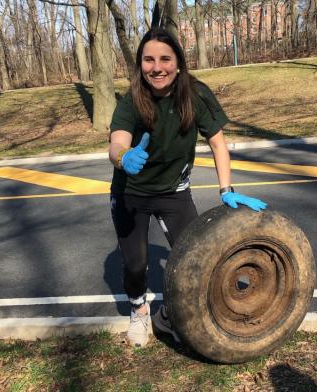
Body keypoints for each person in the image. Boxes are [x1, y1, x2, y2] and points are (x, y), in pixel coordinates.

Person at [108, 27, 267, 348]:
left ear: (178, 63)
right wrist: (124, 157)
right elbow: (116, 143)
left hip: (173, 194)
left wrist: (226, 189)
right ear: (140, 65)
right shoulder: (132, 100)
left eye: (165, 59)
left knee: (194, 260)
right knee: (136, 264)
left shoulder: (196, 95)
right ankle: (139, 310)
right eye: (148, 60)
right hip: (130, 194)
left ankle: (168, 316)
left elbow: (218, 143)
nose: (157, 67)